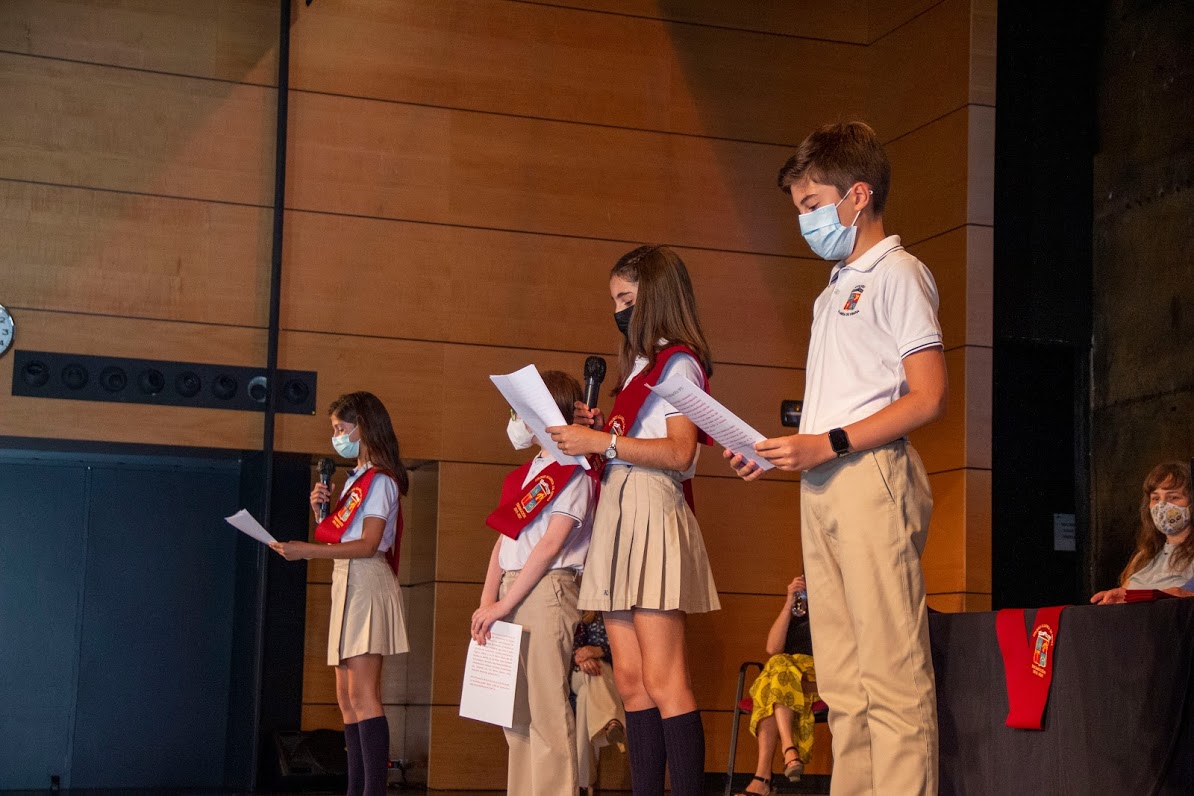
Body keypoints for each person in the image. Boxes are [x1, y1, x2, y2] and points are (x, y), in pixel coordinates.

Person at [726, 121, 947, 795]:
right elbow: (835, 405)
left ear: (857, 195)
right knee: (844, 681)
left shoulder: (899, 273)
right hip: (822, 482)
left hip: (870, 477)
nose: (805, 220)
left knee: (893, 675)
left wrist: (831, 442)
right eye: (799, 209)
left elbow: (929, 396)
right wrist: (784, 454)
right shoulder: (832, 290)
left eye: (811, 204)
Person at [547, 244, 720, 796]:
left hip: (651, 509)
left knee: (667, 679)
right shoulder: (639, 368)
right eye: (615, 300)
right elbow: (631, 447)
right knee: (630, 680)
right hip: (621, 512)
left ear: (656, 297)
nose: (618, 310)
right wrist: (603, 435)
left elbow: (679, 453)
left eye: (627, 298)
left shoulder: (680, 362)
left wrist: (603, 439)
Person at [271, 391, 410, 796]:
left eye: (339, 428)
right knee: (346, 697)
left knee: (365, 693)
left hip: (366, 581)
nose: (336, 437)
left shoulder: (381, 480)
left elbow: (368, 544)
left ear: (362, 426)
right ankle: (355, 789)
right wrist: (321, 516)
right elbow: (343, 537)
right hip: (345, 580)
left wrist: (306, 550)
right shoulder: (355, 480)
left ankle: (373, 791)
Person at [471, 371, 596, 796]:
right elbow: (503, 541)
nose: (515, 421)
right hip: (511, 589)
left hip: (548, 591)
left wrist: (502, 605)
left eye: (518, 410)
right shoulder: (526, 475)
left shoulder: (574, 472)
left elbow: (549, 545)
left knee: (546, 707)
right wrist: (489, 599)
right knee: (515, 713)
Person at [736, 575, 819, 796]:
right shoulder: (798, 610)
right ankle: (788, 752)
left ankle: (763, 777)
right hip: (784, 676)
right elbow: (773, 647)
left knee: (774, 679)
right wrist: (787, 604)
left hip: (816, 679)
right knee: (777, 667)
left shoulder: (837, 608)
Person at [1091, 461, 1193, 604]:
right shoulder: (1143, 557)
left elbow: (1185, 593)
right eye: (1156, 498)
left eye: (1173, 497)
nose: (1161, 506)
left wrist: (1139, 596)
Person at [572, 610, 628, 792]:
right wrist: (581, 657)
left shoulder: (619, 610)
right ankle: (612, 720)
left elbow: (630, 648)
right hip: (576, 673)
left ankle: (582, 784)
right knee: (595, 671)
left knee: (585, 697)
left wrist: (599, 651)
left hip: (609, 678)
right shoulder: (575, 605)